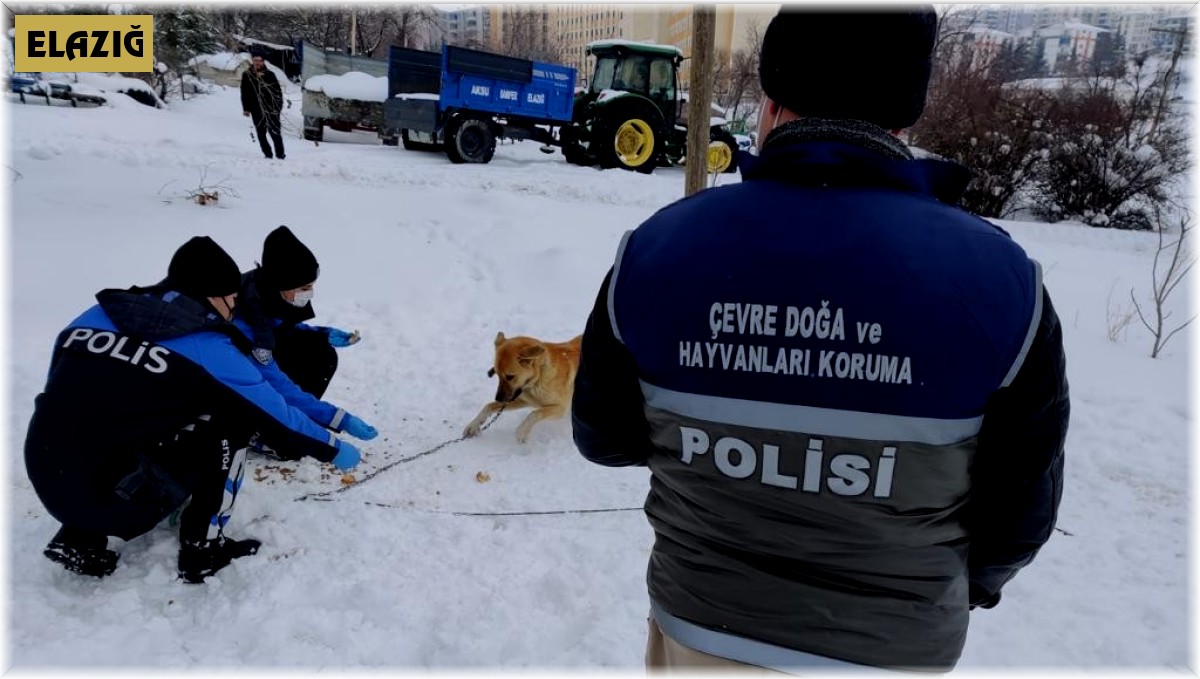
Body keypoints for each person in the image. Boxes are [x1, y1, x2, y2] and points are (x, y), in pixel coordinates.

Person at [572, 6, 1069, 673]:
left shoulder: (654, 250)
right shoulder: (1004, 284)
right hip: (891, 648)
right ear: (904, 115)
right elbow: (1019, 514)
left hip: (703, 628)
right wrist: (950, 586)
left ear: (772, 101)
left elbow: (603, 436)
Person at [24, 237, 366, 584]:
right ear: (209, 296)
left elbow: (59, 392)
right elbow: (272, 410)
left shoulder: (93, 317)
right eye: (231, 298)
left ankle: (78, 537)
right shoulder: (207, 345)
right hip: (118, 502)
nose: (234, 308)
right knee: (232, 420)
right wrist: (330, 446)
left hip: (45, 472)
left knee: (100, 419)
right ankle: (202, 550)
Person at [237, 225, 361, 400]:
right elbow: (264, 363)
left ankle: (299, 415)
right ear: (284, 282)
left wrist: (323, 335)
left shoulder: (270, 290)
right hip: (239, 369)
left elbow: (283, 327)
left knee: (320, 353)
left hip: (262, 352)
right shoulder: (247, 309)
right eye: (305, 287)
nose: (309, 293)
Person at [241, 53, 286, 160]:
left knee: (275, 133)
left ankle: (280, 155)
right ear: (252, 61)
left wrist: (277, 109)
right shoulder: (247, 75)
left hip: (271, 110)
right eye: (255, 60)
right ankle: (268, 155)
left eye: (260, 60)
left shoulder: (270, 74)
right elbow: (244, 92)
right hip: (256, 109)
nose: (257, 63)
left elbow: (277, 93)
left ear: (263, 62)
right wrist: (246, 108)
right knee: (261, 134)